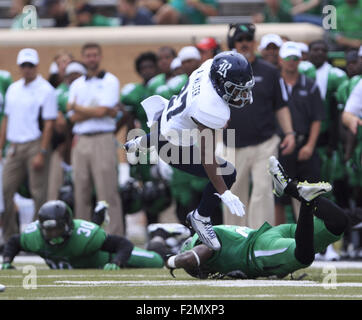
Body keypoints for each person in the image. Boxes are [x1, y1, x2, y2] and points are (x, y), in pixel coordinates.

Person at [124, 51, 254, 251]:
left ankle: (145, 140)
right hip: (171, 147)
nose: (242, 95)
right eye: (236, 90)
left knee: (183, 128)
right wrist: (224, 191)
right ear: (221, 83)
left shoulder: (209, 66)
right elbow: (206, 155)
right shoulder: (209, 107)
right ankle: (200, 217)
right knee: (228, 172)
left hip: (166, 122)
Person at [164, 156, 350, 280]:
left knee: (303, 257)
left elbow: (191, 258)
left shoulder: (203, 244)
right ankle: (289, 188)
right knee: (338, 223)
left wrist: (171, 261)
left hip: (258, 250)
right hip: (272, 231)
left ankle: (306, 202)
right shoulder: (212, 233)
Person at [223, 23, 295, 229]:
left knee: (263, 192)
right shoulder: (222, 70)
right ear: (233, 44)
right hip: (232, 143)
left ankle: (259, 240)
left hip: (265, 142)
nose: (245, 43)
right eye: (240, 40)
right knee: (233, 193)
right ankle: (235, 239)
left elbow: (280, 105)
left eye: (248, 39)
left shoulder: (270, 71)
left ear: (254, 43)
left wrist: (289, 132)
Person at [0, 200, 164, 270]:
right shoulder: (33, 237)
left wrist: (118, 261)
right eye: (49, 230)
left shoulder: (86, 237)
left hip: (104, 257)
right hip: (81, 260)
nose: (53, 234)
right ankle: (98, 217)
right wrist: (7, 260)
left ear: (68, 226)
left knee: (157, 261)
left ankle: (160, 239)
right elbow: (14, 242)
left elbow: (122, 244)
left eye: (57, 229)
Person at [0, 48, 57, 243]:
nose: (27, 69)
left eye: (30, 65)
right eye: (24, 65)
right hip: (14, 145)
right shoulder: (13, 89)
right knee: (5, 190)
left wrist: (42, 151)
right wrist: (1, 147)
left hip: (35, 143)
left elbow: (49, 123)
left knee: (38, 193)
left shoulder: (46, 89)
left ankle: (37, 238)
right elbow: (6, 119)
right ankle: (10, 238)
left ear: (36, 66)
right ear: (19, 67)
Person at [67, 42, 124, 236]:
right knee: (80, 191)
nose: (91, 59)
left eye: (94, 55)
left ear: (100, 57)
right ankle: (82, 238)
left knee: (107, 191)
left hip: (103, 138)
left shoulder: (110, 81)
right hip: (81, 139)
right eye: (88, 55)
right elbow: (72, 116)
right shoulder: (76, 84)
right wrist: (97, 111)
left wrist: (79, 108)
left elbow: (102, 111)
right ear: (83, 58)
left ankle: (113, 237)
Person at [275, 41, 325, 225]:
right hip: (280, 145)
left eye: (295, 58)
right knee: (278, 196)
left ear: (300, 60)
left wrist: (310, 146)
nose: (291, 62)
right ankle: (278, 240)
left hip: (304, 145)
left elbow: (317, 118)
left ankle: (310, 241)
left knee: (309, 195)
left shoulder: (310, 85)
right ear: (281, 60)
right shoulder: (274, 84)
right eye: (288, 58)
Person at [47, 61, 87, 201]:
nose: (73, 78)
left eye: (77, 75)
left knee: (83, 188)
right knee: (56, 188)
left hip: (82, 140)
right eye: (70, 75)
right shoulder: (59, 92)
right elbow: (61, 123)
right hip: (62, 144)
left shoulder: (87, 87)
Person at [153, 0, 218, 24]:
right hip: (180, 23)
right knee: (166, 10)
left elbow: (214, 13)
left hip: (197, 24)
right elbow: (172, 10)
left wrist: (198, 5)